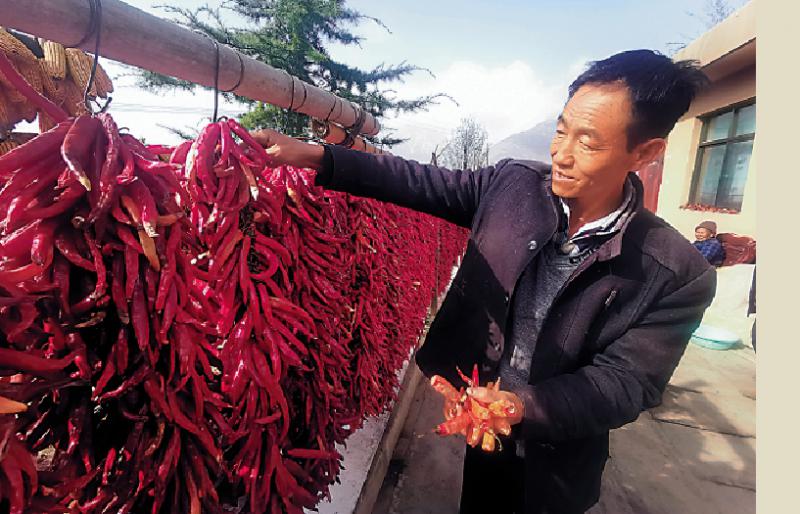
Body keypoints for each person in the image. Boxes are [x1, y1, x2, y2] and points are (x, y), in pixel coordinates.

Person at [253, 49, 716, 514]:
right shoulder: (513, 186)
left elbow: (624, 384)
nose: (561, 153)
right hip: (478, 428)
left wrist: (519, 408)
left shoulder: (675, 272)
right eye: (560, 130)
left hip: (555, 462)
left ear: (646, 152)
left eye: (589, 143)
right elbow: (418, 180)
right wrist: (313, 156)